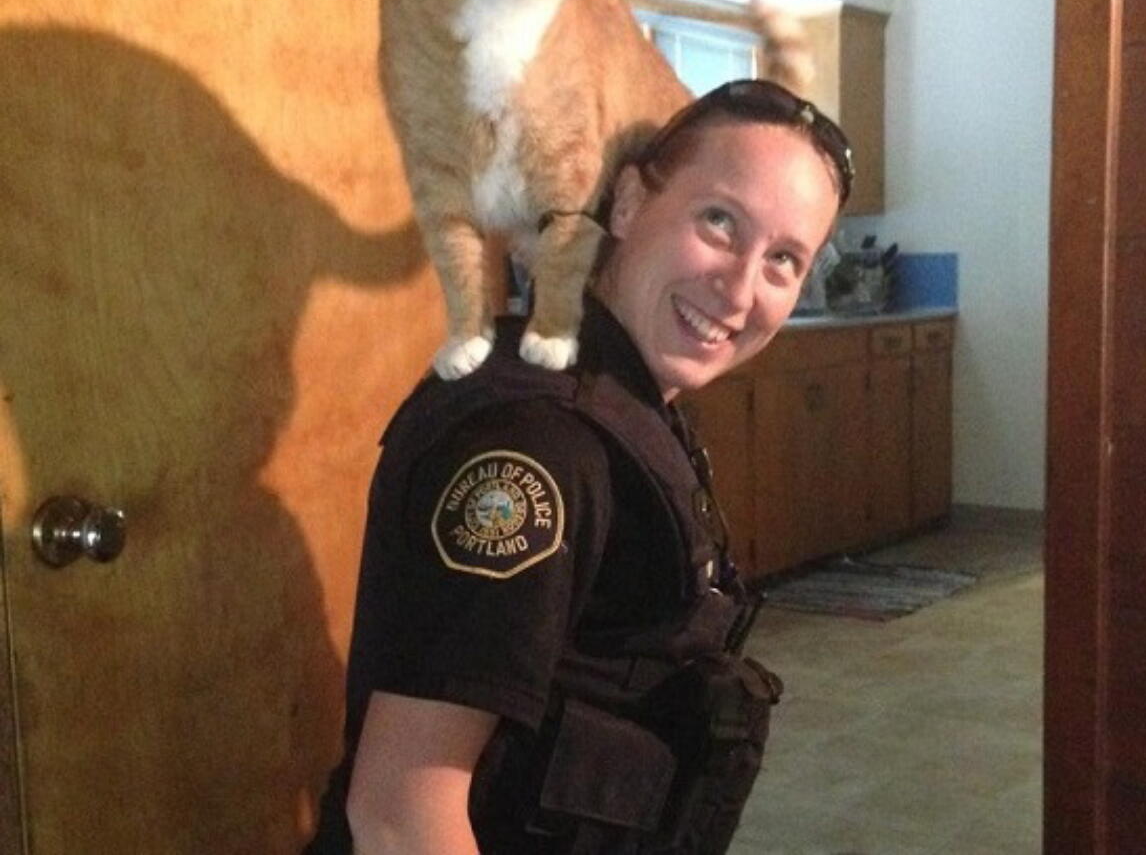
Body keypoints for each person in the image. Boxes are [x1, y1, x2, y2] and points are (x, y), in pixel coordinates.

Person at [305, 78, 854, 855]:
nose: (739, 289)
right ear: (628, 204)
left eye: (784, 261)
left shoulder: (623, 402)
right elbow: (401, 814)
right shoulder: (539, 447)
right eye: (719, 221)